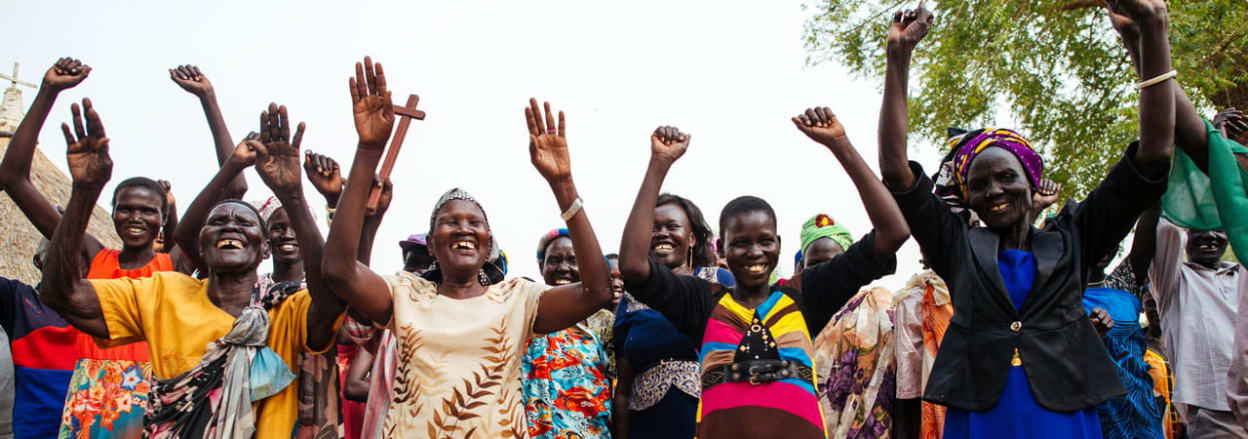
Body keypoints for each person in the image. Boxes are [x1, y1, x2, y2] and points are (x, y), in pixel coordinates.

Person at [877, 0, 1176, 436]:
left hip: (1063, 416)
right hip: (980, 417)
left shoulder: (1073, 237)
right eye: (979, 185)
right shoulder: (957, 246)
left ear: (1031, 181)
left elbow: (1152, 157)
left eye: (1005, 177)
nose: (994, 190)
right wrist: (898, 57)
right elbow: (895, 171)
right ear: (968, 198)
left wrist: (1153, 32)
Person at [321, 57, 612, 437]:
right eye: (450, 222)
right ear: (431, 243)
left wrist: (563, 183)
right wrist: (369, 149)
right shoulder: (405, 294)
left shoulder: (516, 299)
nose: (464, 229)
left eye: (475, 223)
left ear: (488, 242)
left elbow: (597, 292)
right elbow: (338, 271)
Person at [38, 97, 345, 437]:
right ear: (201, 247)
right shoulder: (164, 291)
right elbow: (62, 296)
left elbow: (332, 299)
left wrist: (293, 194)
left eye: (245, 223)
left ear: (263, 250)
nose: (231, 226)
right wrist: (83, 192)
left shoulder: (287, 307)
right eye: (218, 221)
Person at [617, 110, 908, 438]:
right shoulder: (702, 302)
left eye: (765, 241)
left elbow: (892, 232)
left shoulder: (804, 295)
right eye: (740, 243)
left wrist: (841, 146)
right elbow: (633, 266)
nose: (755, 252)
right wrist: (659, 165)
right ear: (722, 250)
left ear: (779, 245)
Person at [612, 193, 731, 439]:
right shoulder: (630, 298)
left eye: (672, 226)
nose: (662, 233)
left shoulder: (719, 281)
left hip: (708, 421)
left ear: (691, 238)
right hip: (646, 426)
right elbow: (622, 390)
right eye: (654, 228)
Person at [522, 228, 615, 438]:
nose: (563, 268)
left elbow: (617, 385)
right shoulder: (525, 312)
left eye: (573, 260)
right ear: (542, 267)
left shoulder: (603, 321)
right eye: (554, 260)